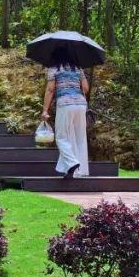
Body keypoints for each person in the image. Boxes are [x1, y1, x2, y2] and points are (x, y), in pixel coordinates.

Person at [41, 48, 90, 179]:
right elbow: (85, 88)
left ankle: (72, 163)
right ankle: (80, 171)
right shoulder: (78, 68)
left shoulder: (54, 69)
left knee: (61, 137)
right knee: (80, 137)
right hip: (81, 104)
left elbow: (50, 90)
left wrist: (45, 110)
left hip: (65, 104)